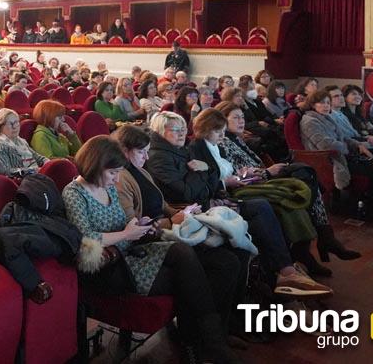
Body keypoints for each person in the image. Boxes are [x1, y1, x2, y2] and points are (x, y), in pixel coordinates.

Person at [63, 136, 240, 363]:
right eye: (112, 173)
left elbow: (121, 224)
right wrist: (127, 234)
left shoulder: (109, 188)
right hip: (110, 267)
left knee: (187, 254)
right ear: (94, 166)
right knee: (189, 273)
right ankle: (208, 343)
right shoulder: (74, 193)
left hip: (129, 250)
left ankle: (207, 342)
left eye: (118, 172)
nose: (116, 178)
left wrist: (138, 225)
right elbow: (85, 237)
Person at [144, 111, 332, 298]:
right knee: (262, 208)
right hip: (193, 209)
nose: (182, 133)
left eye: (183, 128)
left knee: (270, 207)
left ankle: (284, 273)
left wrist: (214, 187)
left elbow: (209, 182)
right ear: (160, 131)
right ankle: (283, 274)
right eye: (176, 129)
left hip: (210, 200)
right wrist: (202, 172)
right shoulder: (161, 157)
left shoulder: (179, 150)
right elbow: (186, 191)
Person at [215, 101, 360, 271]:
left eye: (242, 117)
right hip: (251, 188)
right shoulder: (223, 142)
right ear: (222, 121)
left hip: (263, 180)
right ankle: (322, 239)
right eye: (236, 118)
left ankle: (315, 244)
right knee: (304, 177)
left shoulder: (237, 140)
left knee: (306, 175)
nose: (242, 121)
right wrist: (267, 173)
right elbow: (235, 177)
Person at [302, 89, 373, 221]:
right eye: (321, 103)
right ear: (312, 105)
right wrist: (354, 149)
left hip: (345, 153)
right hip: (333, 160)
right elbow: (327, 145)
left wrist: (358, 145)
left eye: (328, 103)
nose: (326, 106)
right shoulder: (310, 121)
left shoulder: (326, 118)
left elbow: (344, 138)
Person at [0, 108, 47, 177]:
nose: (15, 127)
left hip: (35, 178)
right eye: (11, 123)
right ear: (0, 126)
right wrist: (34, 171)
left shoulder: (21, 141)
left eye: (16, 122)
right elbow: (5, 172)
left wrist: (48, 163)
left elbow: (38, 158)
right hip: (19, 184)